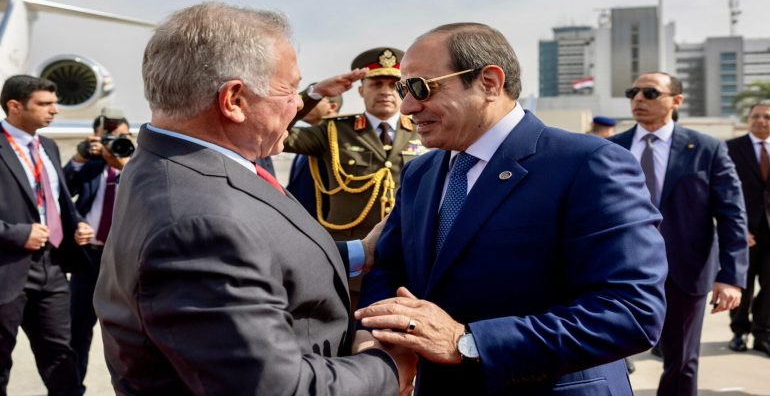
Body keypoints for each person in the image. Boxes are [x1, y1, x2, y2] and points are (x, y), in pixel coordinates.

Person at [93, 2, 415, 396]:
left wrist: (359, 252)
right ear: (234, 100)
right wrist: (388, 369)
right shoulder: (199, 225)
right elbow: (275, 387)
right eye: (289, 89)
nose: (299, 103)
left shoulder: (174, 161)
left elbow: (258, 251)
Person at [355, 23, 668, 396]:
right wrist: (379, 340)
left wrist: (467, 343)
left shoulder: (587, 164)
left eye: (422, 87)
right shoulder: (420, 172)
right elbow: (389, 268)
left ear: (489, 83)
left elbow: (631, 311)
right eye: (404, 90)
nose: (407, 107)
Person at [609, 71, 748, 396]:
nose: (638, 98)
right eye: (633, 92)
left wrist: (731, 275)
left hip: (686, 271)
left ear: (676, 100)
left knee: (682, 360)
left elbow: (732, 213)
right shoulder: (610, 148)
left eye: (649, 93)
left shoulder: (707, 149)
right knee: (608, 354)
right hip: (618, 270)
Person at [283, 47, 427, 307]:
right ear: (361, 91)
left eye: (393, 84)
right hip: (349, 263)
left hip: (406, 260)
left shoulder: (425, 131)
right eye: (376, 84)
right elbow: (279, 131)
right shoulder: (333, 130)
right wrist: (315, 94)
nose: (385, 91)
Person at [0, 75, 94, 396]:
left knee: (62, 358)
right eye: (44, 104)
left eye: (54, 103)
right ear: (15, 106)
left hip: (52, 268)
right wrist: (16, 234)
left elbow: (56, 201)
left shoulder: (48, 146)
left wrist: (77, 224)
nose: (55, 110)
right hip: (6, 269)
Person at [63, 108, 134, 395]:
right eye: (109, 138)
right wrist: (79, 157)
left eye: (123, 137)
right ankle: (73, 388)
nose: (116, 143)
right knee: (77, 330)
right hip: (89, 259)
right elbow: (61, 192)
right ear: (96, 138)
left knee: (130, 333)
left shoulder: (139, 167)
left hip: (124, 261)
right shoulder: (90, 165)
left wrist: (124, 166)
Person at [726, 101, 770, 356]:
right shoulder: (731, 149)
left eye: (767, 117)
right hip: (744, 231)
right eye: (756, 116)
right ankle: (739, 331)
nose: (761, 121)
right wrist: (738, 229)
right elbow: (724, 193)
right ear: (749, 119)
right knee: (741, 284)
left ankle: (763, 333)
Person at [286, 91, 342, 215]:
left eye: (316, 100)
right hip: (299, 216)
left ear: (332, 107)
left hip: (324, 220)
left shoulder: (340, 140)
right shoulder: (306, 138)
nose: (304, 105)